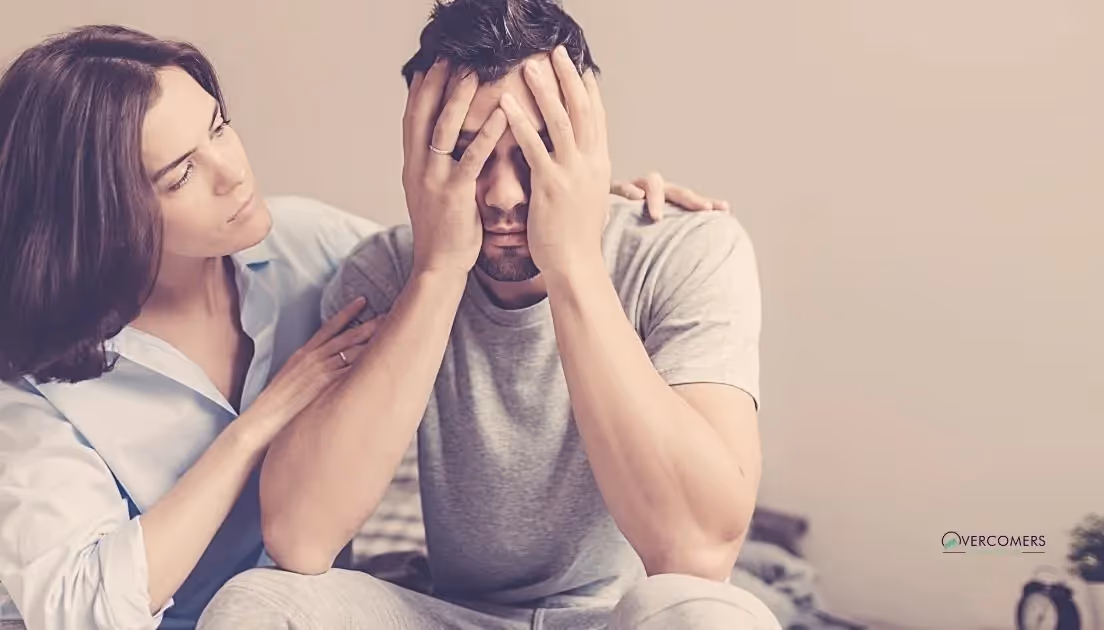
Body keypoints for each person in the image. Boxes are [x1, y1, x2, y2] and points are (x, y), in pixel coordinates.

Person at [0, 24, 721, 630]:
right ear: (99, 215)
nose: (233, 172)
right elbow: (81, 608)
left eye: (219, 127)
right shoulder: (33, 389)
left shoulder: (306, 244)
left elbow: (458, 255)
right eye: (182, 173)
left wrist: (588, 209)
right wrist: (255, 427)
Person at [199, 1, 781, 629]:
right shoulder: (386, 273)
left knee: (719, 619)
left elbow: (697, 553)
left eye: (536, 153)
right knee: (257, 603)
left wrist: (575, 264)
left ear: (588, 145)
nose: (503, 196)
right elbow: (301, 538)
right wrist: (437, 271)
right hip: (451, 615)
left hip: (618, 618)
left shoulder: (686, 250)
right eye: (466, 155)